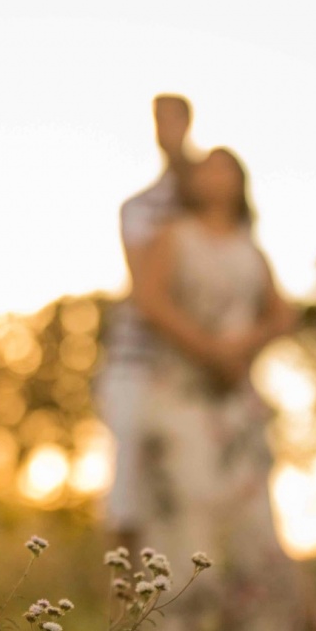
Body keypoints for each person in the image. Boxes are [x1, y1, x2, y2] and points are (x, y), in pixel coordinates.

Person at [132, 147, 316, 631]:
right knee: (186, 520)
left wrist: (244, 347)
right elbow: (150, 302)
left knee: (253, 526)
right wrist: (209, 350)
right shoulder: (173, 236)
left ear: (241, 183)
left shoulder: (251, 250)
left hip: (236, 405)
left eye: (226, 167)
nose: (215, 175)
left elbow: (284, 315)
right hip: (182, 399)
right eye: (207, 167)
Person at [98, 94, 193, 559]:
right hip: (138, 363)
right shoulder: (139, 207)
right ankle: (123, 600)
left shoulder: (218, 197)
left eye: (172, 119)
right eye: (159, 120)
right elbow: (148, 295)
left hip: (201, 371)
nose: (164, 129)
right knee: (129, 494)